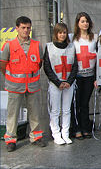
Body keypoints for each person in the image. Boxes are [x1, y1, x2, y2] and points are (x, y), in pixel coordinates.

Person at [1, 16, 47, 152]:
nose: (26, 30)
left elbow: (39, 63)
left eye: (28, 28)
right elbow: (3, 64)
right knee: (12, 114)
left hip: (32, 85)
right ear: (17, 28)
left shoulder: (36, 45)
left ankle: (36, 137)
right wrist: (12, 76)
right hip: (15, 85)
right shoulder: (9, 45)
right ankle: (10, 140)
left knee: (35, 113)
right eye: (23, 28)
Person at [44, 23, 78, 145]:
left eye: (64, 32)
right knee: (55, 110)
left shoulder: (72, 47)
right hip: (55, 84)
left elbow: (75, 66)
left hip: (69, 84)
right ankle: (56, 134)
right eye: (60, 32)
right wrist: (58, 82)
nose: (62, 35)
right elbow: (47, 67)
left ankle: (65, 133)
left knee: (67, 110)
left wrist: (69, 81)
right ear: (56, 34)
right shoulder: (49, 47)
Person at [70, 12, 97, 140]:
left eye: (86, 21)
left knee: (85, 103)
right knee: (76, 103)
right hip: (77, 76)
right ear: (77, 23)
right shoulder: (72, 38)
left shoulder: (94, 37)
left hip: (89, 76)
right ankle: (76, 129)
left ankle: (86, 128)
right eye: (82, 21)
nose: (85, 23)